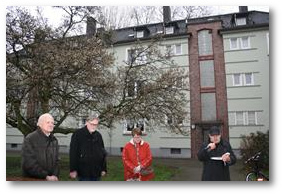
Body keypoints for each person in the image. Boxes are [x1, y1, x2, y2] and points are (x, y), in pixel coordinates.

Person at [21, 113, 59, 181]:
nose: (51, 125)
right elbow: (29, 163)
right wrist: (45, 176)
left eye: (52, 123)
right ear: (40, 124)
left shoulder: (54, 140)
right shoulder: (30, 139)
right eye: (48, 122)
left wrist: (54, 175)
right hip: (33, 179)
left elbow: (57, 161)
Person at [69, 116, 107, 181]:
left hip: (96, 172)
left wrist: (103, 169)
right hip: (83, 172)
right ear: (86, 123)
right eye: (92, 124)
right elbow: (73, 153)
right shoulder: (78, 134)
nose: (94, 126)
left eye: (96, 124)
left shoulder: (98, 135)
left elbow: (102, 153)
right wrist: (73, 170)